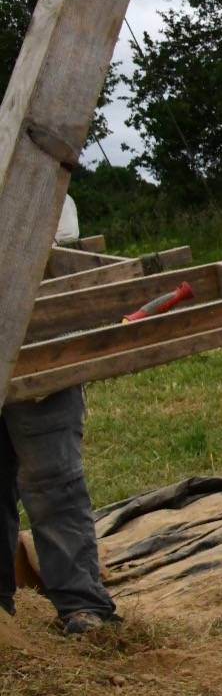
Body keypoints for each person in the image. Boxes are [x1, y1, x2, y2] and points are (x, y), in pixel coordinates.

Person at [1, 193, 120, 635]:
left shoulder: (44, 188)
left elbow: (60, 267)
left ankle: (80, 607)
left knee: (53, 484)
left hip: (40, 347)